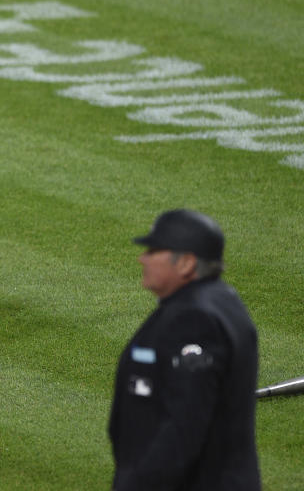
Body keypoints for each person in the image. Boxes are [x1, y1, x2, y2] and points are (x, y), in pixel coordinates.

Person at [108, 209, 261, 490]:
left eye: (154, 251)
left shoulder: (194, 320)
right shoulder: (221, 301)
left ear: (186, 263)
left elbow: (184, 427)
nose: (143, 258)